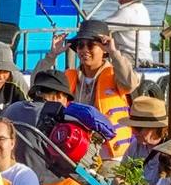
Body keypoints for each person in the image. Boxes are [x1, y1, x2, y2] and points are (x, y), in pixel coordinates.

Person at [39, 20, 136, 154]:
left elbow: (129, 84)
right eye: (80, 46)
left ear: (104, 49)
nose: (85, 50)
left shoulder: (115, 75)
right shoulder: (69, 76)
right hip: (75, 146)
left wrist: (114, 53)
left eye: (91, 45)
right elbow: (38, 85)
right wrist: (52, 55)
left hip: (109, 152)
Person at [104, 0, 157, 67]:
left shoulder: (127, 11)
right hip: (144, 56)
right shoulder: (142, 9)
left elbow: (100, 27)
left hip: (131, 57)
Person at [122, 96, 171, 183]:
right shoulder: (136, 145)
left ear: (156, 128)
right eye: (132, 127)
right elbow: (121, 173)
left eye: (138, 128)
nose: (133, 132)